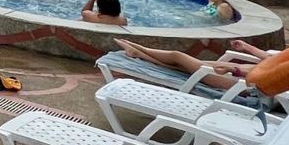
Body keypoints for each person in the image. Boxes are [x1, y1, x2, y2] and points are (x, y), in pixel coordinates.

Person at [118, 38, 277, 91]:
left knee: (178, 57)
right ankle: (138, 52)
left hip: (245, 85)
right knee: (184, 63)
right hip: (247, 73)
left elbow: (274, 80)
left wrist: (234, 70)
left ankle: (141, 50)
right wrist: (247, 47)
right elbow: (272, 58)